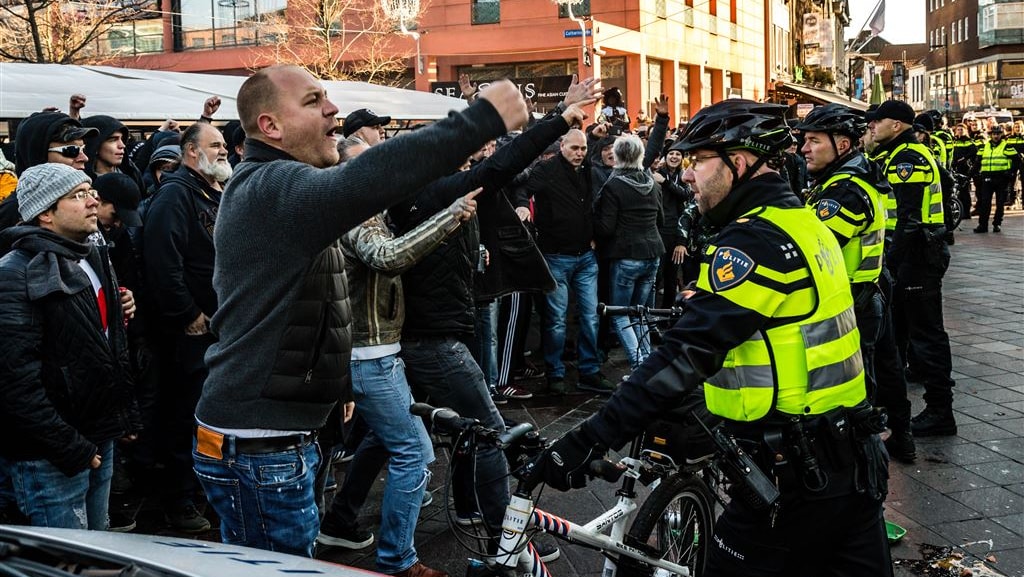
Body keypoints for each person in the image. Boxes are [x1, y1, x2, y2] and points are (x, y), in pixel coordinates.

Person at [533, 100, 893, 577]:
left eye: (698, 161)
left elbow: (685, 355)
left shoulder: (756, 240)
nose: (686, 175)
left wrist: (589, 438)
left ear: (737, 163)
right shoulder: (800, 220)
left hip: (796, 473)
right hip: (848, 458)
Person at [192, 64, 527, 558]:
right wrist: (482, 119)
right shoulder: (273, 186)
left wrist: (338, 387)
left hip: (276, 437)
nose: (333, 110)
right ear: (270, 126)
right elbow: (370, 178)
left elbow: (318, 302)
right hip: (260, 446)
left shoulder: (279, 187)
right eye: (313, 101)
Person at [0, 163, 141, 530]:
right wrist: (70, 446)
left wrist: (122, 416)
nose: (93, 201)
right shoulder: (14, 273)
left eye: (90, 192)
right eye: (78, 196)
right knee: (63, 556)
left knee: (97, 545)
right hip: (51, 456)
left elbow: (109, 347)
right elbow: (14, 381)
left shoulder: (91, 254)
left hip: (98, 436)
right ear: (45, 213)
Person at [795, 103, 915, 463]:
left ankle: (864, 464)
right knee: (886, 369)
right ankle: (899, 438)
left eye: (814, 141)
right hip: (870, 289)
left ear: (843, 144)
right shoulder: (851, 177)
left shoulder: (844, 190)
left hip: (853, 302)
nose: (804, 149)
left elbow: (812, 252)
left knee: (856, 388)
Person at [144, 121, 231, 533]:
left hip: (218, 330)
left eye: (224, 144)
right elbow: (163, 263)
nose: (224, 150)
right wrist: (188, 314)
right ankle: (180, 501)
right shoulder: (175, 195)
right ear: (192, 151)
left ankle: (204, 493)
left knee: (208, 417)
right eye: (215, 145)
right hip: (191, 335)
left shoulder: (213, 191)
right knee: (186, 417)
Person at [867, 100, 956, 437]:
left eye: (878, 122)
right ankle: (899, 410)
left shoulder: (907, 157)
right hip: (911, 254)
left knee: (926, 334)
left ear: (896, 125)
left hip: (917, 256)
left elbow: (909, 218)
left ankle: (940, 410)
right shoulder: (893, 155)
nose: (872, 127)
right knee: (901, 333)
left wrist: (890, 263)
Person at [521, 128, 615, 395]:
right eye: (574, 148)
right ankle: (555, 373)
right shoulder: (546, 169)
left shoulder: (587, 169)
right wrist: (522, 205)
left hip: (585, 256)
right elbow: (523, 188)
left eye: (583, 148)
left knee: (590, 316)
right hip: (556, 256)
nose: (579, 153)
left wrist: (594, 234)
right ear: (562, 145)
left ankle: (589, 370)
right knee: (556, 319)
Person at [593, 133, 664, 369]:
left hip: (626, 256)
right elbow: (661, 220)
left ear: (617, 156)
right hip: (653, 253)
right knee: (640, 312)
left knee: (621, 314)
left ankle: (638, 366)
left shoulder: (613, 185)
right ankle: (647, 365)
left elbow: (606, 228)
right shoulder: (652, 183)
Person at [972, 124, 1018, 234]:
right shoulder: (984, 147)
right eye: (994, 134)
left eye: (998, 134)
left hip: (1001, 178)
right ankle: (982, 225)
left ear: (1001, 135)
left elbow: (1017, 161)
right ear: (990, 135)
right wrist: (972, 174)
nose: (996, 136)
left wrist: (1010, 172)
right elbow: (977, 163)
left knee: (1000, 203)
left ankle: (997, 224)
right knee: (985, 202)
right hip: (987, 178)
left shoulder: (1007, 146)